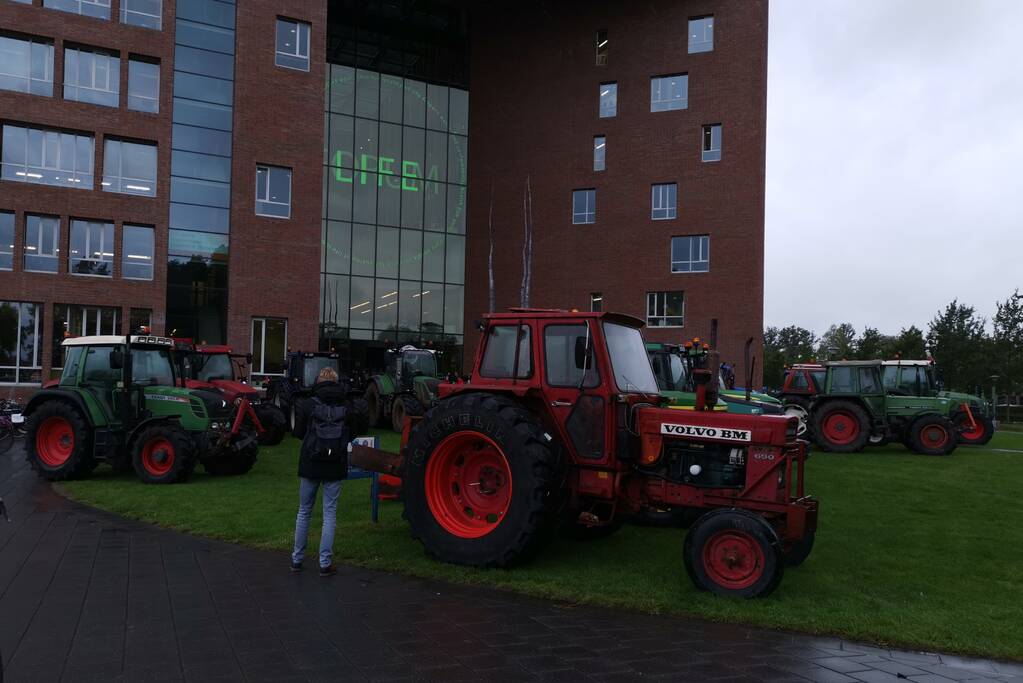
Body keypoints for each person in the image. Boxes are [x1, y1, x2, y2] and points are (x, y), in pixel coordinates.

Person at [290, 366, 352, 576]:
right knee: (330, 514)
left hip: (310, 462)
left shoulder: (308, 403)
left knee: (304, 511)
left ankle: (297, 559)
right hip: (335, 463)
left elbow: (298, 433)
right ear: (336, 381)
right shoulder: (345, 404)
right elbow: (352, 433)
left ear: (318, 381)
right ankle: (324, 563)